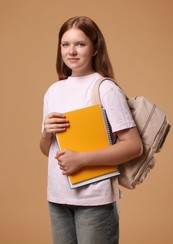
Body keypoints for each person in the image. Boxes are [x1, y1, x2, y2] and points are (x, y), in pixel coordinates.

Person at [40, 16, 143, 244]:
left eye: (80, 44)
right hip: (57, 198)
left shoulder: (105, 88)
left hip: (94, 200)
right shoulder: (53, 91)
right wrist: (46, 133)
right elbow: (48, 150)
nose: (72, 51)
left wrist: (81, 160)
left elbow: (133, 146)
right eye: (66, 44)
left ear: (95, 48)